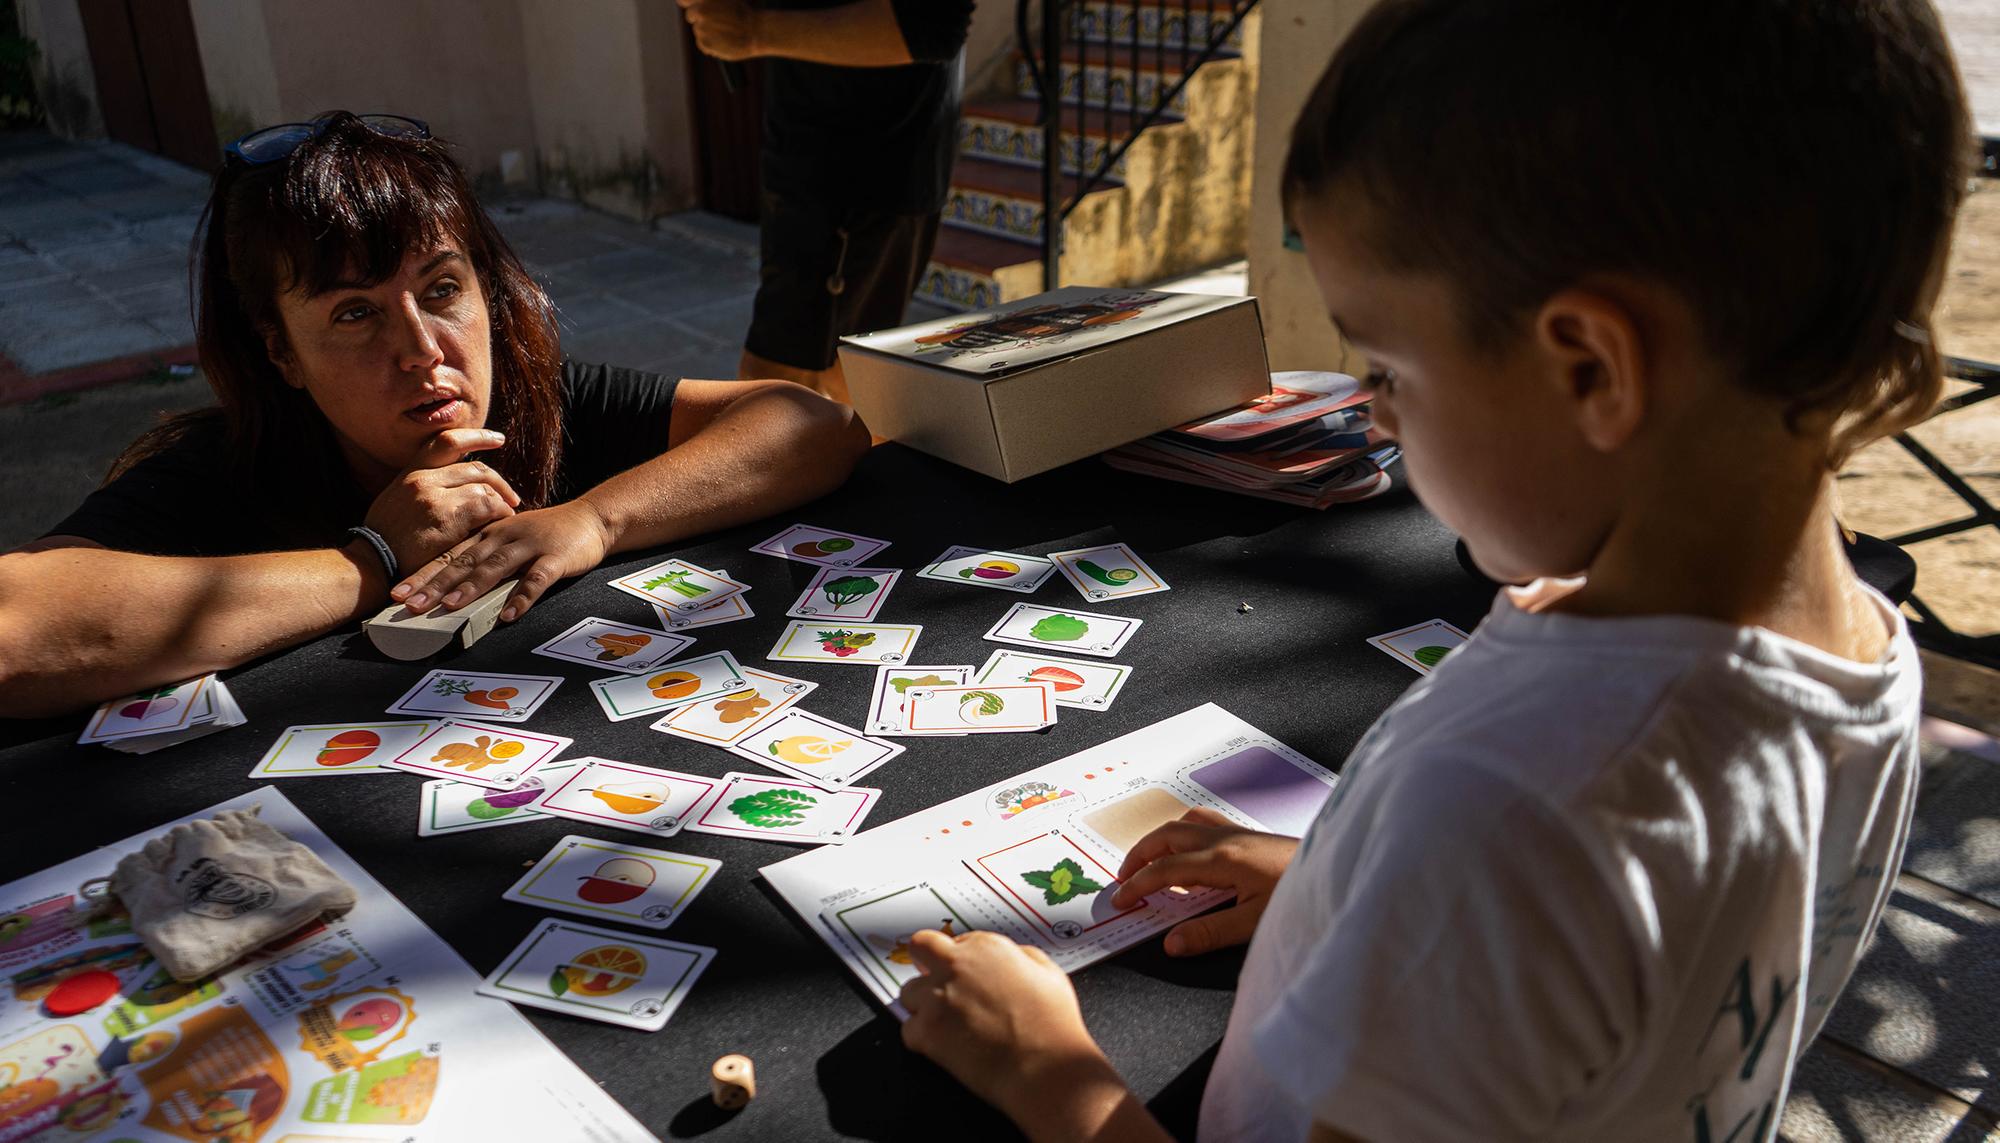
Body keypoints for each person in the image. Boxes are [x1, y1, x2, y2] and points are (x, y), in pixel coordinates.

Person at [891, 1, 1970, 1139]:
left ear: (1591, 368)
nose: (1369, 410)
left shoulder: (1500, 820)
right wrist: (1345, 883)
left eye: (1387, 367)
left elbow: (1533, 872)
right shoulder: (1858, 645)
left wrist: (1048, 1073)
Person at [0, 112, 870, 718]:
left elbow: (811, 424)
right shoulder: (218, 473)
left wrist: (593, 519)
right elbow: (15, 628)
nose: (422, 349)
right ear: (280, 353)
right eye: (354, 313)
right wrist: (368, 561)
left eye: (442, 289)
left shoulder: (543, 401)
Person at [678, 0, 974, 404]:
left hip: (864, 165)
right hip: (807, 156)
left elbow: (931, 25)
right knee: (823, 388)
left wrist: (754, 32)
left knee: (782, 393)